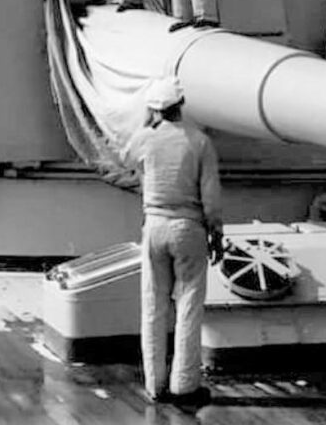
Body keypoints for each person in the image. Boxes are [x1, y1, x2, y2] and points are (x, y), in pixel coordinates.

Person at [125, 75, 223, 408]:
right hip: (188, 227)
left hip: (153, 227)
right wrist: (216, 234)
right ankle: (185, 385)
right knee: (189, 306)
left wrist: (146, 123)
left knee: (153, 306)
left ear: (154, 109)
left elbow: (126, 158)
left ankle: (155, 384)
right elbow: (210, 199)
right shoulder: (199, 142)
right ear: (181, 106)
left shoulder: (145, 139)